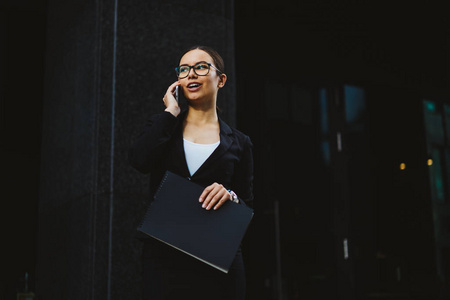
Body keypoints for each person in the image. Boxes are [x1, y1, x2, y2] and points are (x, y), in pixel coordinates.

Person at [129, 46, 254, 300]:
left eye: (201, 67)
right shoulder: (164, 125)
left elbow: (247, 201)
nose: (191, 75)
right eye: (184, 70)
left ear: (221, 79)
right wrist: (170, 113)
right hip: (164, 259)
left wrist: (229, 194)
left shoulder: (239, 142)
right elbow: (139, 160)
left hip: (217, 259)